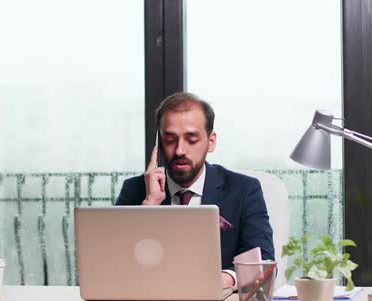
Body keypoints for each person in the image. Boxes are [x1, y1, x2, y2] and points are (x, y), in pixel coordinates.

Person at [116, 92, 274, 289]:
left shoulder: (244, 190)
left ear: (211, 141)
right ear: (159, 144)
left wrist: (224, 280)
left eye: (191, 139)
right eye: (170, 140)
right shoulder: (135, 190)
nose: (180, 150)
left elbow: (264, 261)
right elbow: (116, 265)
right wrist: (149, 207)